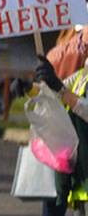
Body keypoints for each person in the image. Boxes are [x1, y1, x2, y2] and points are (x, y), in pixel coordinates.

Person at [34, 55, 88, 215]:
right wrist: (31, 88)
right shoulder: (82, 76)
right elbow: (55, 96)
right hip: (82, 177)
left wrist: (62, 90)